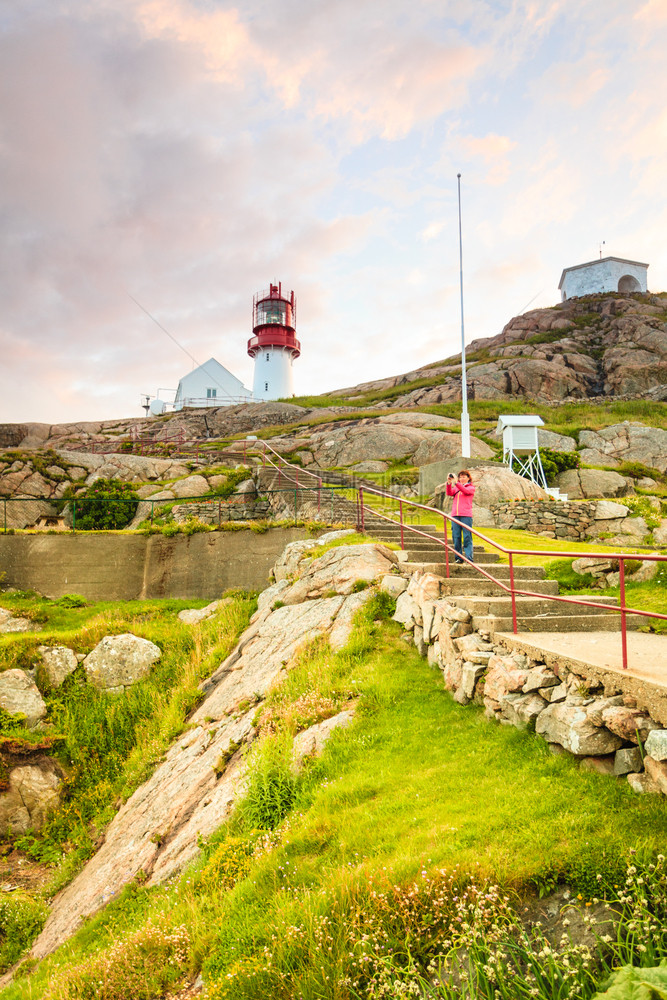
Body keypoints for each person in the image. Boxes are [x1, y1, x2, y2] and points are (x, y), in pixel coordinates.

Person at [445, 470, 475, 564]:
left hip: (466, 515)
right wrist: (449, 483)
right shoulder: (457, 487)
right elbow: (449, 493)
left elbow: (465, 491)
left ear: (468, 478)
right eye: (460, 477)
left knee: (467, 537)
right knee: (456, 536)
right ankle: (458, 557)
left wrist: (457, 483)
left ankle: (469, 558)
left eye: (464, 477)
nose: (462, 479)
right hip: (455, 515)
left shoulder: (471, 487)